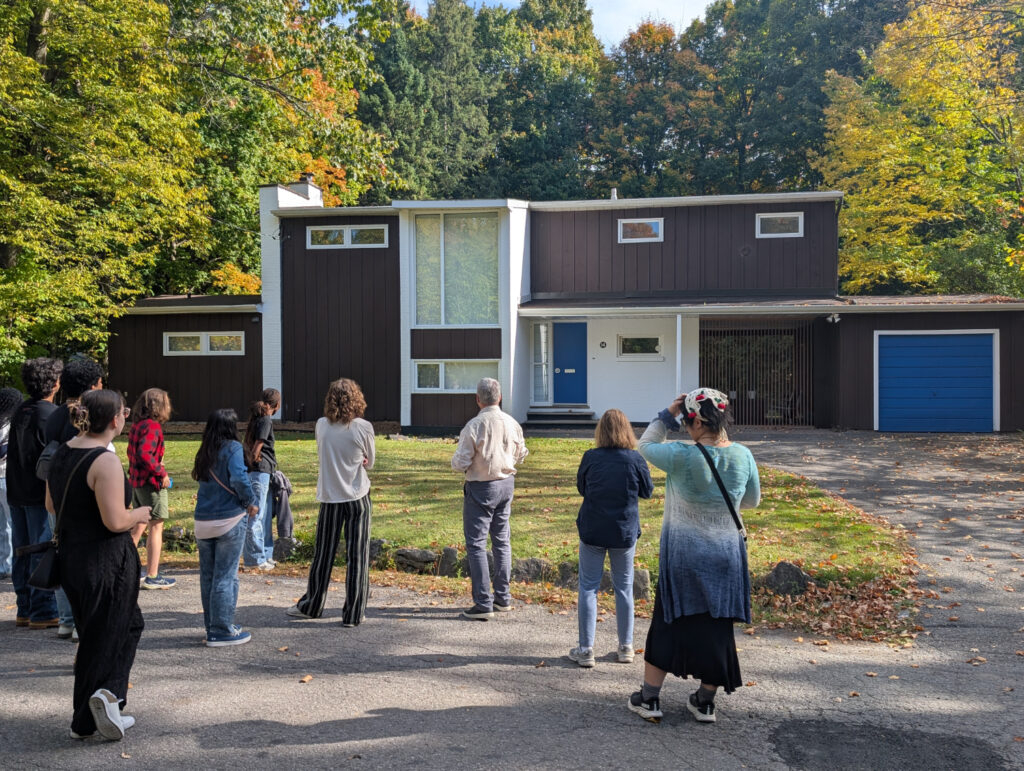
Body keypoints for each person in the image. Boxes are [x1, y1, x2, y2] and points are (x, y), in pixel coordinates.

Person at [627, 387, 760, 725]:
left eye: (687, 421)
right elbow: (751, 502)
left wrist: (666, 416)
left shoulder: (681, 456)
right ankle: (704, 702)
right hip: (726, 556)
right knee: (717, 630)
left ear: (698, 420)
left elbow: (644, 446)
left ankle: (650, 698)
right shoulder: (743, 456)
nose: (686, 427)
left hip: (684, 558)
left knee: (668, 623)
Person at [46, 390, 153, 741]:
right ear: (114, 420)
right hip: (106, 559)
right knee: (111, 631)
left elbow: (50, 503)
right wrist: (140, 513)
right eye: (123, 412)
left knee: (105, 630)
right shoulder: (104, 460)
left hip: (73, 557)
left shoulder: (64, 451)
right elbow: (114, 521)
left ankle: (98, 706)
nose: (125, 417)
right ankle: (101, 702)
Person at [286, 378, 374, 627]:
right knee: (358, 555)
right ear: (356, 399)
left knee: (323, 554)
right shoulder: (363, 427)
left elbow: (325, 451)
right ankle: (354, 613)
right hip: (357, 495)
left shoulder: (322, 425)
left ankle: (312, 605)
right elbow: (371, 461)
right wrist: (362, 460)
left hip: (330, 495)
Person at [569, 409, 653, 668]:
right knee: (624, 588)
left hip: (593, 529)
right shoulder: (634, 459)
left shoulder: (591, 457)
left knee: (588, 587)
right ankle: (626, 646)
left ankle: (586, 649)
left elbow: (581, 487)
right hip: (624, 531)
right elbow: (647, 491)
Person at [451, 377, 528, 621]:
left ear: (477, 399)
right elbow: (521, 453)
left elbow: (460, 462)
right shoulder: (512, 422)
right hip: (506, 484)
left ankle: (483, 601)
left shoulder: (474, 425)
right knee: (501, 541)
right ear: (500, 397)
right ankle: (502, 597)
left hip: (481, 486)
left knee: (476, 544)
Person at [45, 356, 105, 639]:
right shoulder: (86, 414)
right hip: (82, 493)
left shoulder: (54, 414)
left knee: (61, 554)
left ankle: (66, 620)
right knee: (84, 561)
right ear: (93, 384)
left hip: (54, 491)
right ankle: (81, 621)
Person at [192, 409, 259, 647]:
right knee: (226, 576)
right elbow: (239, 478)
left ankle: (212, 626)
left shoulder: (204, 450)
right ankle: (222, 630)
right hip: (228, 519)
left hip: (203, 519)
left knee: (208, 577)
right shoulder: (232, 448)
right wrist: (251, 502)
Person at [7, 357, 62, 629]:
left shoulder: (21, 410)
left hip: (17, 489)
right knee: (41, 548)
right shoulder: (50, 414)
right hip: (39, 492)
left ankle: (24, 607)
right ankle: (42, 610)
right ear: (54, 383)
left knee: (22, 549)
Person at [128, 388, 176, 590]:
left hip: (136, 482)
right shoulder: (153, 426)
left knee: (138, 526)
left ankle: (125, 569)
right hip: (151, 484)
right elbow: (145, 454)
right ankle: (152, 575)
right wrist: (161, 473)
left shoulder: (137, 425)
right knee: (156, 527)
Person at [242, 388, 281, 571]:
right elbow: (259, 442)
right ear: (277, 405)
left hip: (262, 471)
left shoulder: (256, 418)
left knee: (264, 515)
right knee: (256, 514)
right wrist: (252, 460)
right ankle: (255, 559)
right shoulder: (265, 420)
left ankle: (265, 553)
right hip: (260, 470)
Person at [0, 386, 24, 580]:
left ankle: (3, 564)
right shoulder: (14, 424)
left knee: (1, 524)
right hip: (7, 477)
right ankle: (11, 563)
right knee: (11, 522)